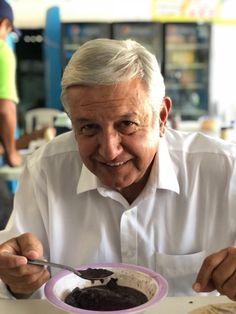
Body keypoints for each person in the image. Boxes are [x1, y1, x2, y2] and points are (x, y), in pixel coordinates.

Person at [0, 38, 235, 300]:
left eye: (127, 123)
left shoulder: (224, 169)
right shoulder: (46, 170)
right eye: (88, 127)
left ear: (161, 117)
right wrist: (15, 281)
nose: (109, 150)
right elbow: (12, 278)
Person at [0, 0, 22, 167]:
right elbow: (5, 109)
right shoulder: (3, 52)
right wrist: (11, 152)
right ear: (3, 24)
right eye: (8, 30)